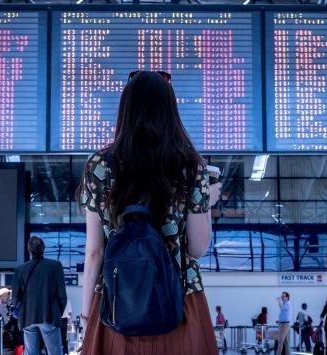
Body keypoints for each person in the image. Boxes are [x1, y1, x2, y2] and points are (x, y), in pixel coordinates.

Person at [76, 70, 222, 354]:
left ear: (126, 109)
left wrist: (85, 316)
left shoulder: (99, 165)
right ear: (170, 109)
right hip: (179, 301)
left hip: (117, 302)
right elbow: (197, 247)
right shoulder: (190, 164)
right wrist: (207, 206)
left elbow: (94, 252)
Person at [12, 236, 67, 355]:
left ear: (29, 250)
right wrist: (58, 311)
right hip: (50, 316)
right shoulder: (55, 266)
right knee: (55, 352)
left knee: (31, 352)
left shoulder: (20, 270)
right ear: (43, 249)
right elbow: (62, 295)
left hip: (28, 317)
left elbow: (15, 298)